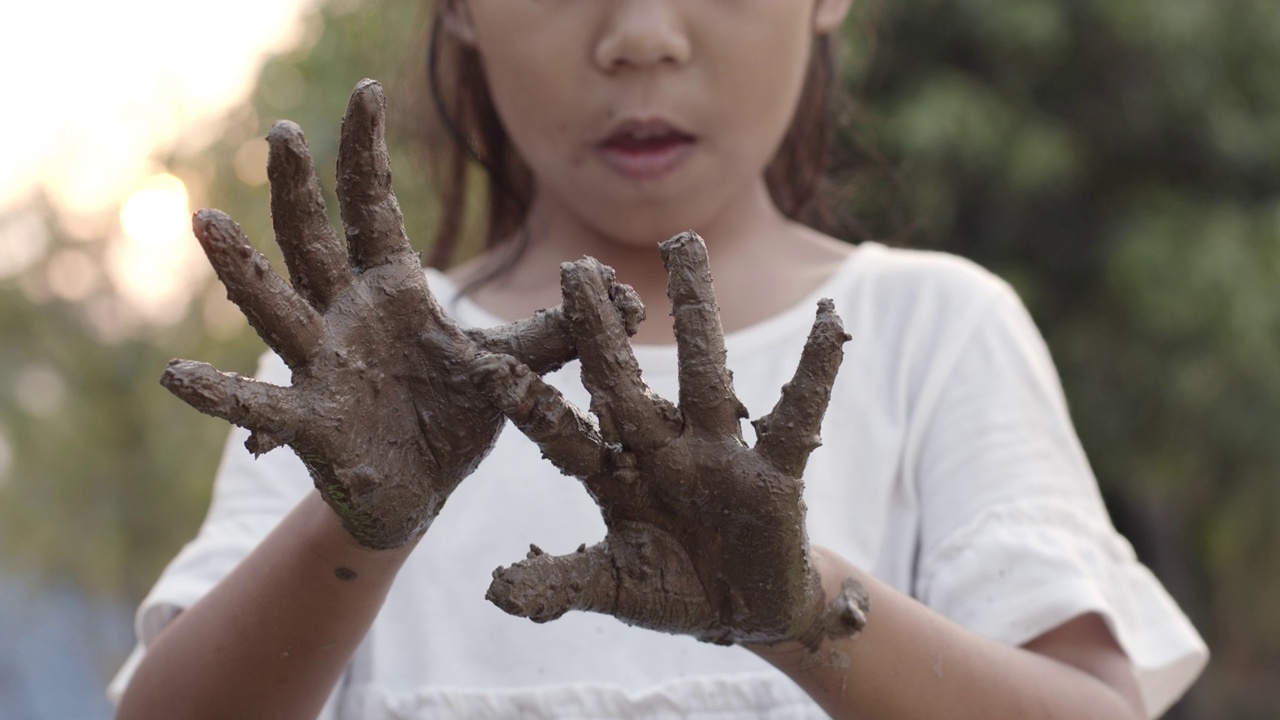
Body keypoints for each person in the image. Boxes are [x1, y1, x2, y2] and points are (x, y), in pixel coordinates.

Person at [111, 1, 1208, 718]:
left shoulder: (934, 330)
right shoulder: (359, 383)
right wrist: (353, 527)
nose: (639, 36)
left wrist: (797, 606)